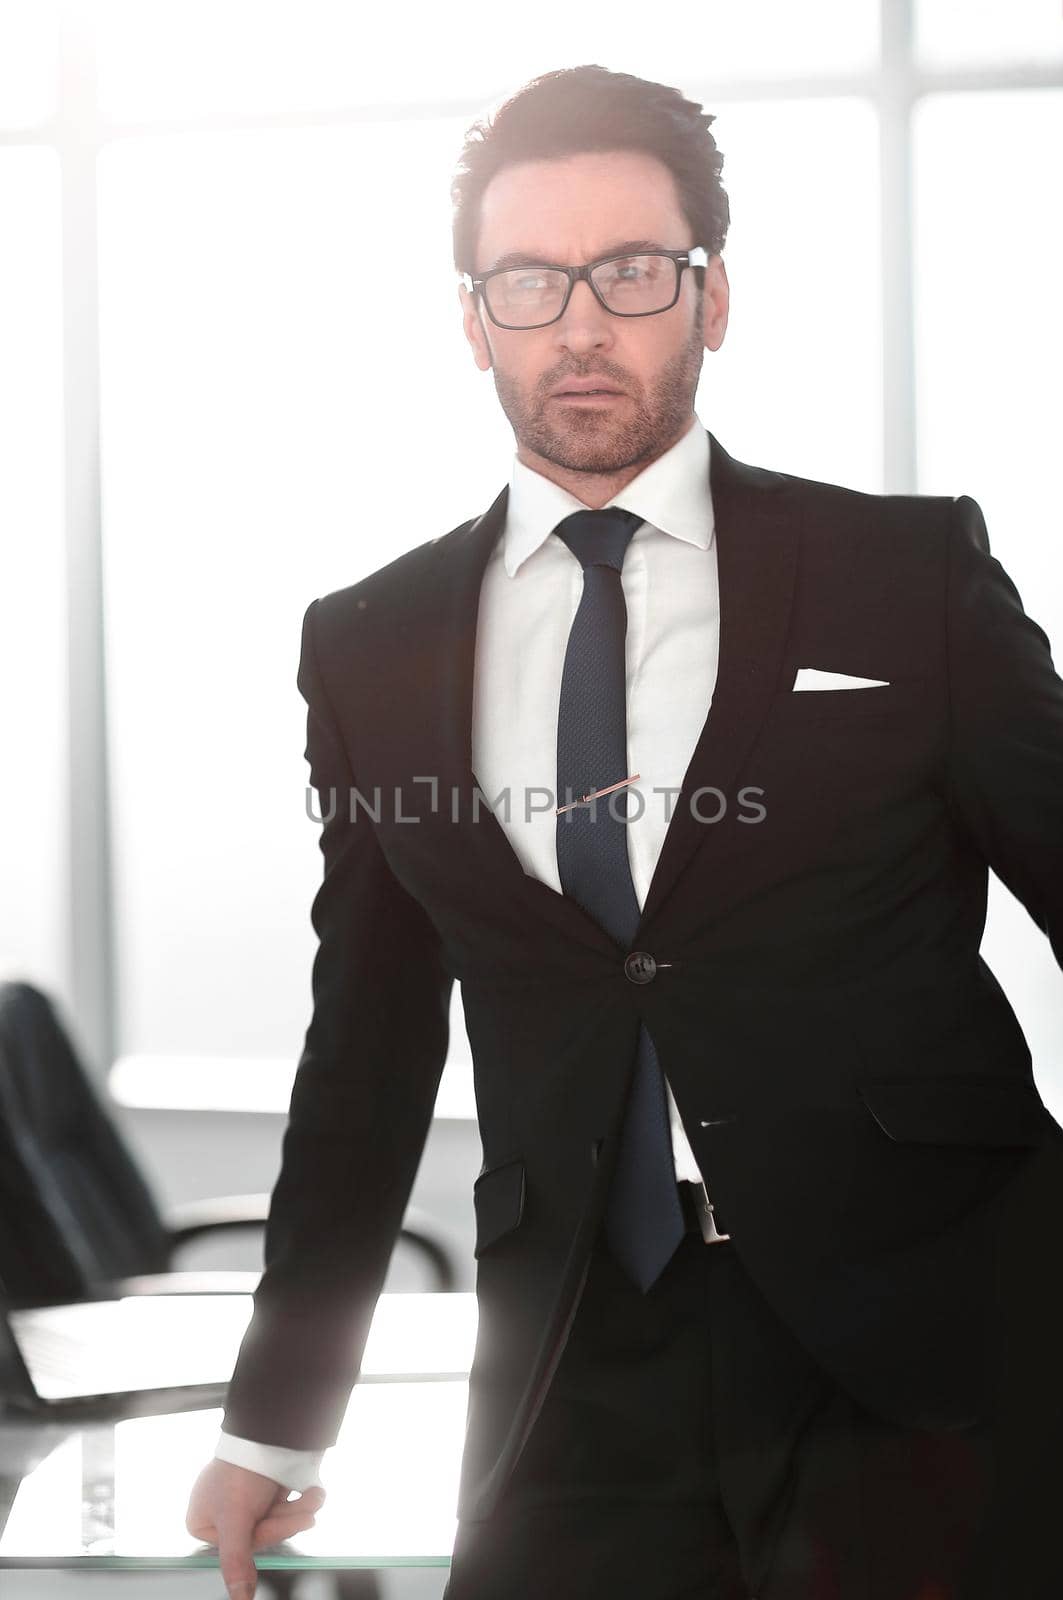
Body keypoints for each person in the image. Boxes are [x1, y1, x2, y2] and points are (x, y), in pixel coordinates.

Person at [185, 65, 1063, 1599]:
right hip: (573, 1358)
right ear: (473, 322)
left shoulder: (905, 576)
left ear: (711, 300)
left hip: (935, 1343)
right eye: (529, 280)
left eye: (632, 273)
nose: (579, 324)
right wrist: (275, 1420)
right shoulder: (371, 642)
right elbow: (368, 1050)